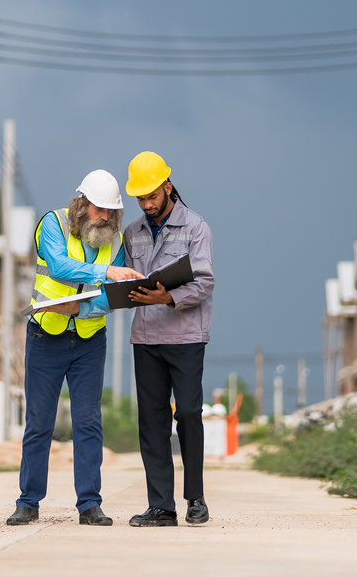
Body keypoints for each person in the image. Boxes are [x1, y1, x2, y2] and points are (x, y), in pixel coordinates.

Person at [6, 170, 144, 528]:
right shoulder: (51, 224)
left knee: (88, 423)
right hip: (46, 335)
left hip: (89, 340)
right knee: (39, 423)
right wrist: (106, 273)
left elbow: (113, 297)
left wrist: (80, 309)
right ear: (81, 204)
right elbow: (59, 267)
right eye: (100, 210)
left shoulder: (113, 241)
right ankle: (28, 502)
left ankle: (90, 504)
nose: (105, 217)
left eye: (112, 212)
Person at [122, 151, 215, 528]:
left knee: (189, 413)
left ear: (168, 186)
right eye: (140, 198)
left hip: (186, 336)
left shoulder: (196, 227)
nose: (146, 204)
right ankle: (161, 506)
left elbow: (204, 282)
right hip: (145, 338)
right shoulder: (132, 232)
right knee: (152, 420)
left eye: (151, 196)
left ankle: (196, 499)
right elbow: (127, 278)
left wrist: (168, 297)